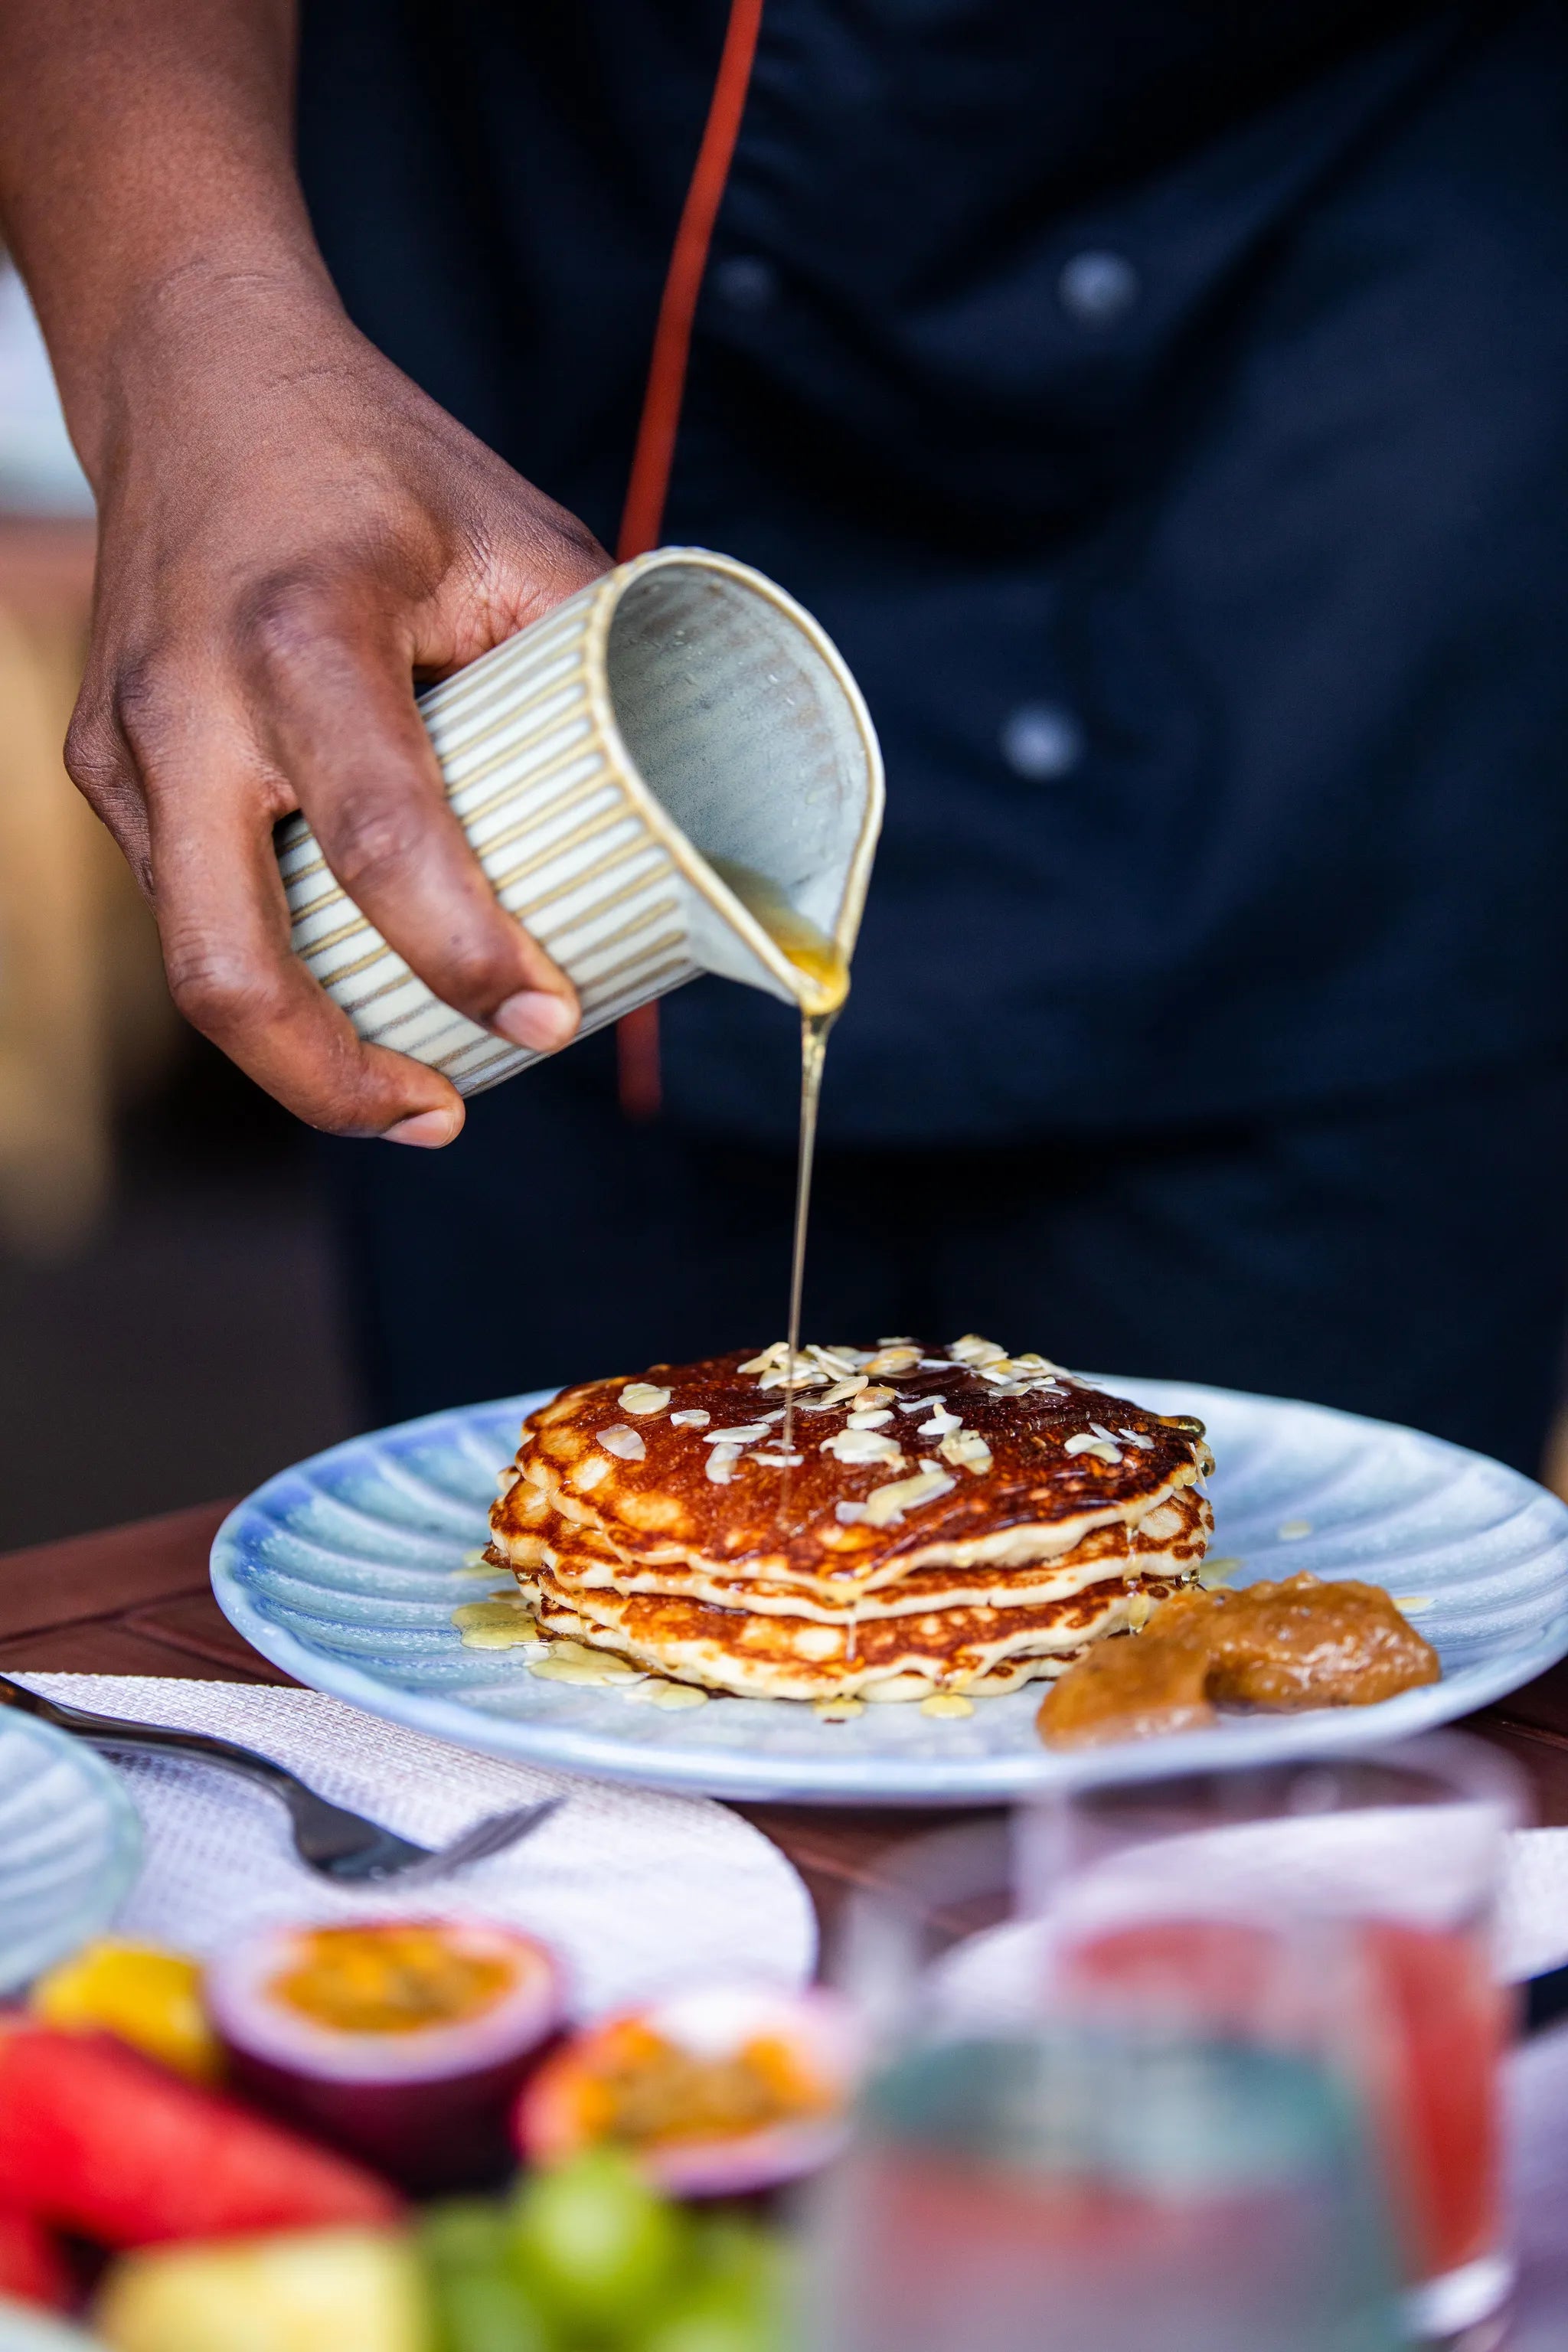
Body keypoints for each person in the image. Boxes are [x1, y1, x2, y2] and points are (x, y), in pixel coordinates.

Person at [3, 2, 1568, 1469]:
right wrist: (185, 331)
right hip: (525, 403)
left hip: (1349, 523)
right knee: (563, 1666)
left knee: (1305, 1675)